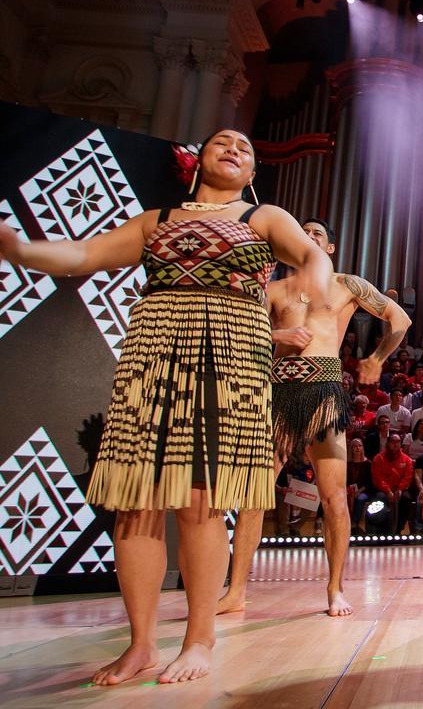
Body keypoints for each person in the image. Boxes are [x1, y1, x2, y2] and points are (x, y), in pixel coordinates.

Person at [0, 129, 332, 685]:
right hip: (154, 355)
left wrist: (313, 279)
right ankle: (141, 645)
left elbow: (308, 255)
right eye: (221, 142)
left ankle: (199, 636)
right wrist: (17, 249)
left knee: (201, 502)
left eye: (245, 148)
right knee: (136, 503)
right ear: (196, 160)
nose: (233, 148)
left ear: (252, 174)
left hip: (228, 357)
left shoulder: (264, 217)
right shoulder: (156, 220)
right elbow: (82, 253)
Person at [219, 217, 410, 617]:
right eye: (300, 231)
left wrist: (376, 358)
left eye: (316, 233)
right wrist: (276, 336)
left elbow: (400, 320)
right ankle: (236, 590)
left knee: (333, 496)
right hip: (278, 392)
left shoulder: (347, 285)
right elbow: (235, 331)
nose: (306, 236)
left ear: (329, 248)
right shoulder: (271, 290)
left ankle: (335, 589)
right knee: (255, 495)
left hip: (323, 391)